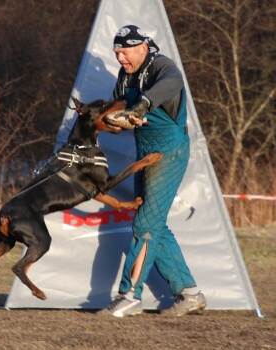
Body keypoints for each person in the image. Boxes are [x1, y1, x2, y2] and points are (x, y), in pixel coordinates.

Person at [97, 25, 206, 317]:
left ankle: (129, 296)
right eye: (116, 53)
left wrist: (144, 103)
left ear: (142, 48)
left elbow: (173, 82)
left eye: (124, 52)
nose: (120, 59)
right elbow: (118, 110)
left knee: (145, 225)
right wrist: (115, 120)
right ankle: (189, 292)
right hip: (145, 153)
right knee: (154, 224)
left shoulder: (162, 66)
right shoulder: (125, 76)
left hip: (169, 152)